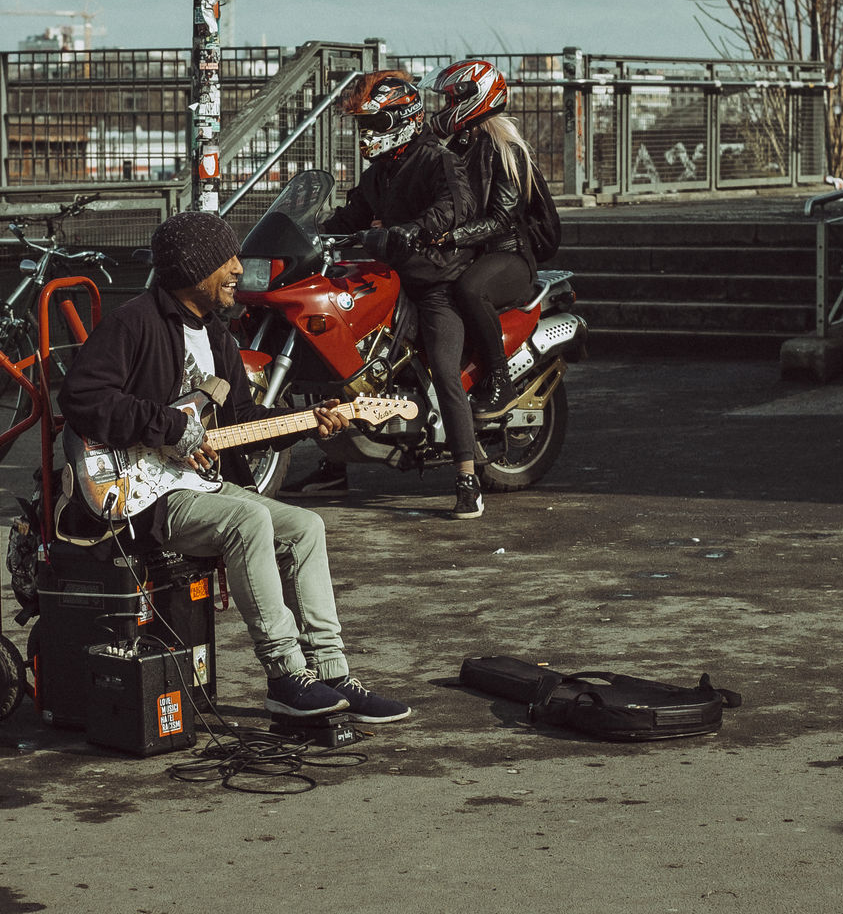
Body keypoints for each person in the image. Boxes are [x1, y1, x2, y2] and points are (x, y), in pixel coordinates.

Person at [57, 209, 411, 724]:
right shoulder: (133, 323)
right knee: (251, 522)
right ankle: (286, 676)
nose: (236, 271)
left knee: (307, 526)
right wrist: (172, 428)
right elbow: (82, 400)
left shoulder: (219, 337)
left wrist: (312, 422)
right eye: (225, 261)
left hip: (199, 484)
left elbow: (242, 422)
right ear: (194, 270)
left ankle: (332, 673)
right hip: (148, 498)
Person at [321, 70, 486, 521]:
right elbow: (350, 214)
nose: (365, 135)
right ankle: (331, 464)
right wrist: (307, 232)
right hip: (388, 280)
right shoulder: (380, 172)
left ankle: (467, 477)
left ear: (402, 119)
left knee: (445, 371)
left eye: (373, 125)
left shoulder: (437, 160)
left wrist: (414, 230)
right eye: (362, 126)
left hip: (435, 282)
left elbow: (456, 207)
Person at [425, 60, 538, 422]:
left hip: (506, 254)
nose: (444, 109)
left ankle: (500, 380)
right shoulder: (458, 145)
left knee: (471, 290)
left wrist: (453, 236)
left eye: (450, 100)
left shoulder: (506, 148)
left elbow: (502, 218)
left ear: (475, 98)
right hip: (469, 250)